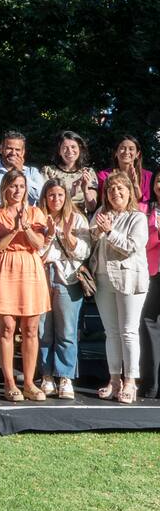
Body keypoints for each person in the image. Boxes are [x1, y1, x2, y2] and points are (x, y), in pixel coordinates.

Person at [0, 169, 50, 402]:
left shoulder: (36, 212)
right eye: (13, 186)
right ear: (5, 188)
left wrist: (25, 226)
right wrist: (14, 229)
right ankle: (9, 382)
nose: (17, 190)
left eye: (21, 186)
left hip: (31, 268)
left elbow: (39, 244)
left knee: (31, 329)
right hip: (6, 267)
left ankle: (30, 383)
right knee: (6, 328)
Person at [90, 171, 149, 404]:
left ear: (129, 192)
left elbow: (132, 247)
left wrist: (109, 232)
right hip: (103, 278)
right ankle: (114, 380)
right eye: (111, 189)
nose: (115, 192)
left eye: (120, 188)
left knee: (128, 332)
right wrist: (96, 231)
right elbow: (91, 239)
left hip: (129, 279)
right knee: (111, 333)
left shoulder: (137, 217)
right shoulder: (101, 213)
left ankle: (131, 382)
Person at [37, 178, 91, 400]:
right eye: (51, 195)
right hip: (41, 275)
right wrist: (49, 235)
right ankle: (47, 375)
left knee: (67, 331)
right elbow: (35, 250)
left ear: (66, 196)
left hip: (66, 278)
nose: (55, 199)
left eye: (60, 195)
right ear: (44, 197)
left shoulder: (77, 218)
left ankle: (65, 376)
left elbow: (85, 251)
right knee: (43, 330)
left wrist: (68, 236)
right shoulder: (37, 217)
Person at [0, 130, 45, 207]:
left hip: (27, 217)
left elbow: (41, 196)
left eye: (17, 150)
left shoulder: (32, 172)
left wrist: (21, 174)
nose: (13, 153)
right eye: (9, 148)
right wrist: (9, 183)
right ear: (1, 149)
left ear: (23, 152)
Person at [43, 130, 98, 214]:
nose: (69, 151)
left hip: (81, 218)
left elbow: (92, 207)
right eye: (65, 148)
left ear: (79, 149)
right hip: (57, 216)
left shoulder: (88, 172)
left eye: (73, 147)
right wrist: (71, 194)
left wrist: (85, 190)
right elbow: (46, 201)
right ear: (59, 152)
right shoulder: (49, 172)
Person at [141, 172, 160, 397]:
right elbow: (140, 240)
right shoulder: (144, 209)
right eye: (158, 180)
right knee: (149, 324)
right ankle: (151, 384)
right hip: (150, 272)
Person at [98, 135, 152, 206]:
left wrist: (135, 185)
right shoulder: (104, 175)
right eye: (122, 148)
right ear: (116, 153)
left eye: (131, 149)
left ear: (137, 154)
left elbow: (145, 203)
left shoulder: (148, 176)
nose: (126, 152)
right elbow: (105, 201)